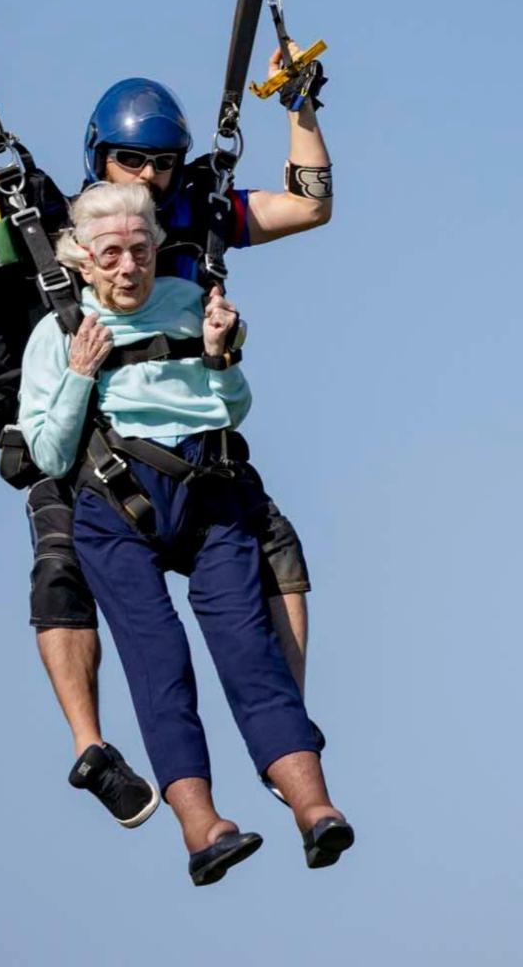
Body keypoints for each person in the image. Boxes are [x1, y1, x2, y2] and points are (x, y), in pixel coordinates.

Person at [0, 28, 333, 826]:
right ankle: (91, 747)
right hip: (78, 436)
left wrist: (301, 109)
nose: (151, 177)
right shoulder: (52, 222)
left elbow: (307, 204)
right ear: (101, 157)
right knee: (61, 568)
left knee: (276, 545)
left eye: (163, 162)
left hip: (186, 438)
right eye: (133, 161)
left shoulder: (194, 218)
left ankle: (282, 729)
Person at [18, 181, 353, 884]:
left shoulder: (189, 305)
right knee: (159, 661)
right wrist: (80, 374)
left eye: (140, 251)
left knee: (250, 653)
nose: (128, 267)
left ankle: (315, 809)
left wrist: (220, 356)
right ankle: (203, 830)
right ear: (82, 259)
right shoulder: (56, 334)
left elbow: (231, 407)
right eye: (111, 254)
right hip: (116, 511)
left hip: (207, 497)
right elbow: (48, 457)